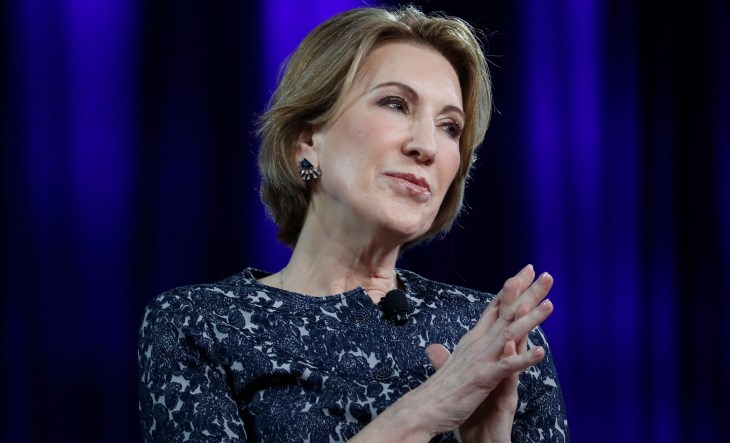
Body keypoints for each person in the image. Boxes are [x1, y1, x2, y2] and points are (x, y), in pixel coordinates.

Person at [138, 5, 569, 442]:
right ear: (308, 141)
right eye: (396, 104)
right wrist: (425, 410)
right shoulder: (200, 325)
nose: (427, 146)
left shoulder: (497, 338)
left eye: (449, 127)